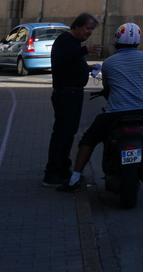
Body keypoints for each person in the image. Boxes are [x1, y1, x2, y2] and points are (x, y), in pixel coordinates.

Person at [59, 23, 143, 192]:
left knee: (88, 140)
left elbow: (108, 87)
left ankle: (74, 178)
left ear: (116, 40)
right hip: (140, 112)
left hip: (115, 114)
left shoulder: (108, 62)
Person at [43, 13, 98, 186]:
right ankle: (52, 174)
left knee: (69, 134)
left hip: (74, 93)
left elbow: (71, 63)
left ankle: (63, 170)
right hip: (66, 94)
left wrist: (88, 68)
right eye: (87, 28)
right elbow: (61, 59)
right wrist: (85, 50)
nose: (89, 32)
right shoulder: (65, 40)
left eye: (91, 29)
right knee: (62, 134)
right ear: (77, 26)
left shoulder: (73, 43)